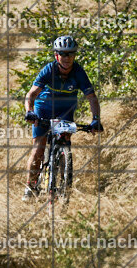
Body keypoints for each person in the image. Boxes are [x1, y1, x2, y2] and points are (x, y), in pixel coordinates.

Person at [23, 35, 103, 201]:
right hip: (43, 109)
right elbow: (31, 94)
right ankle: (30, 188)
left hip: (65, 111)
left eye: (71, 54)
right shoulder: (49, 70)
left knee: (64, 141)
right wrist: (30, 111)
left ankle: (62, 181)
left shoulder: (79, 72)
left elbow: (92, 98)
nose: (67, 58)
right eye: (63, 54)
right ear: (56, 55)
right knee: (39, 149)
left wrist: (96, 119)